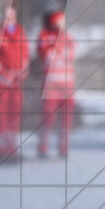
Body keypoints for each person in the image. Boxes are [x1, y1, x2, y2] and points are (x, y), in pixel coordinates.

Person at [0, 3, 29, 162]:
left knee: (14, 117)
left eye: (12, 17)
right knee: (0, 117)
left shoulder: (20, 33)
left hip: (16, 83)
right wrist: (2, 72)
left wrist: (21, 72)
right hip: (0, 83)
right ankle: (1, 150)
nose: (9, 20)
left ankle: (12, 149)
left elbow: (25, 55)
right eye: (7, 17)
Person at [37, 10, 76, 158]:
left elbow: (72, 53)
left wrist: (59, 53)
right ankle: (43, 146)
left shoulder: (68, 37)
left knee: (66, 118)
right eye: (58, 21)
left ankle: (64, 147)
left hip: (67, 85)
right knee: (48, 117)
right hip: (51, 85)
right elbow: (47, 57)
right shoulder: (45, 36)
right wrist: (60, 53)